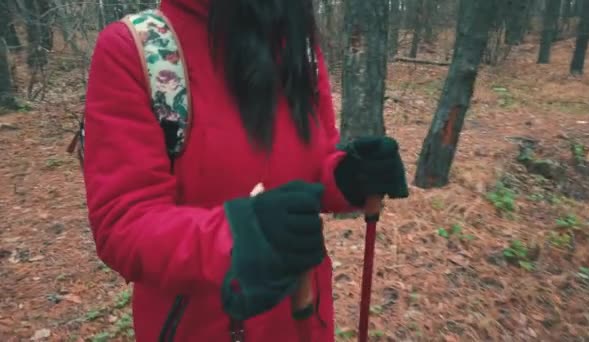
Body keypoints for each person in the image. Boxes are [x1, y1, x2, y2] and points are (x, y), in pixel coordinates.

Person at [82, 0, 408, 340]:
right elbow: (122, 222)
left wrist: (347, 178)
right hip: (202, 327)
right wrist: (238, 238)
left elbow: (315, 163)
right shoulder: (140, 51)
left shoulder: (298, 42)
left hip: (303, 320)